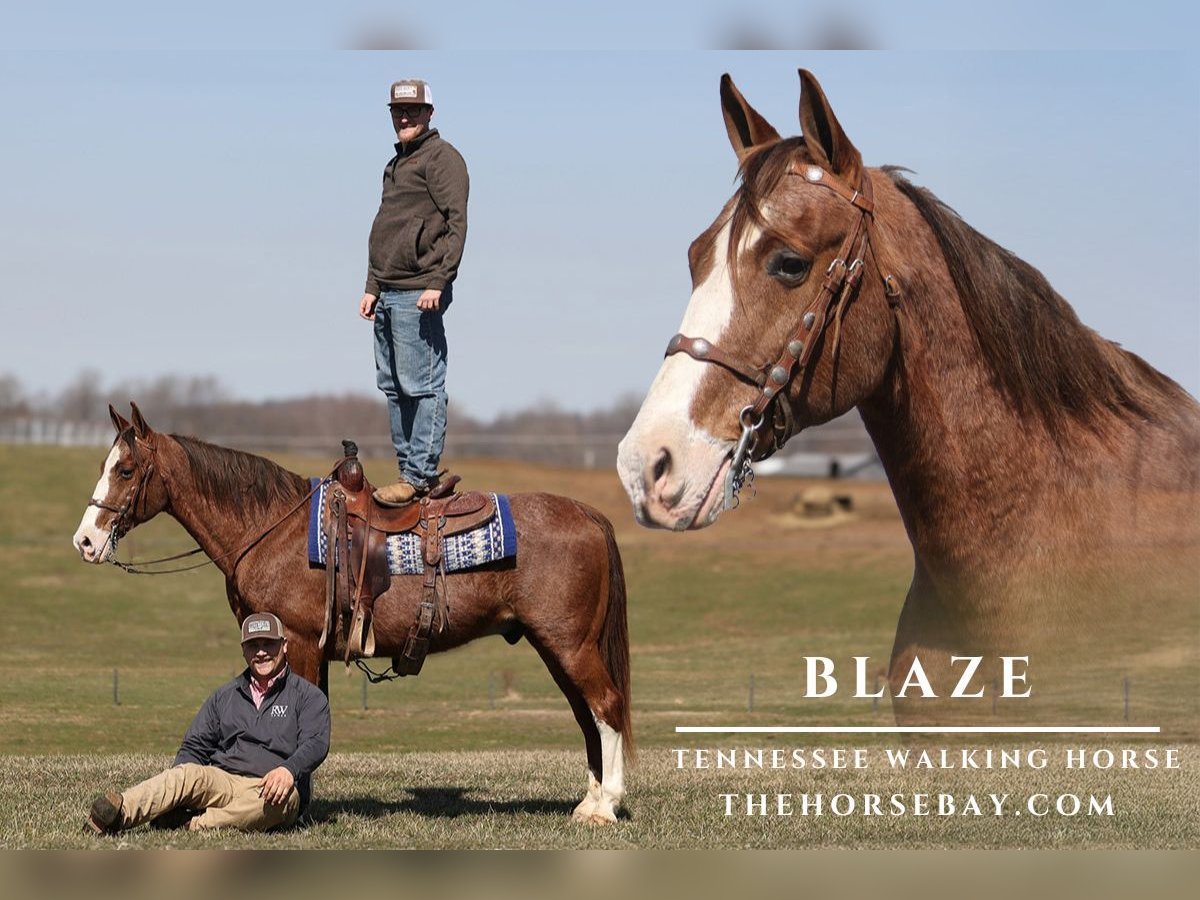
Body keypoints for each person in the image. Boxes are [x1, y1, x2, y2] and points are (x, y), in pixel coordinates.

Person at [85, 613, 330, 835]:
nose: (261, 652)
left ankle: (193, 825)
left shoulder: (307, 696)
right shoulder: (224, 696)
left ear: (284, 646)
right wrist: (181, 794)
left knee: (271, 804)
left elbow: (317, 742)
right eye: (253, 645)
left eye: (269, 643)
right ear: (243, 650)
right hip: (223, 780)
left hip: (272, 789)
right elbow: (194, 745)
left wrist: (289, 769)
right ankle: (117, 814)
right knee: (185, 774)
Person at [359, 78, 470, 506]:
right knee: (393, 385)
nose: (404, 118)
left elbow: (456, 223)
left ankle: (420, 476)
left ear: (429, 113)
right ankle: (407, 471)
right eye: (397, 112)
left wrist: (438, 280)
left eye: (412, 111)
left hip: (418, 292)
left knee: (421, 384)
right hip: (388, 292)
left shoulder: (443, 160)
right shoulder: (396, 164)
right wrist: (372, 285)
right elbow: (384, 230)